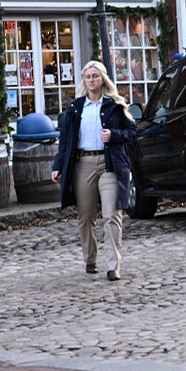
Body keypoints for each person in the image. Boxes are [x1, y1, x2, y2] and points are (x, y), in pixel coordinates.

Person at [50, 60, 136, 282]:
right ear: (84, 81)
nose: (91, 80)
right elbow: (66, 140)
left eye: (95, 76)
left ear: (103, 79)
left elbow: (132, 132)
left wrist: (114, 135)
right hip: (83, 163)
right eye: (88, 77)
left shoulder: (115, 106)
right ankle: (90, 259)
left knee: (112, 215)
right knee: (85, 215)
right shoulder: (76, 108)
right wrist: (58, 166)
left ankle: (113, 266)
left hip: (109, 164)